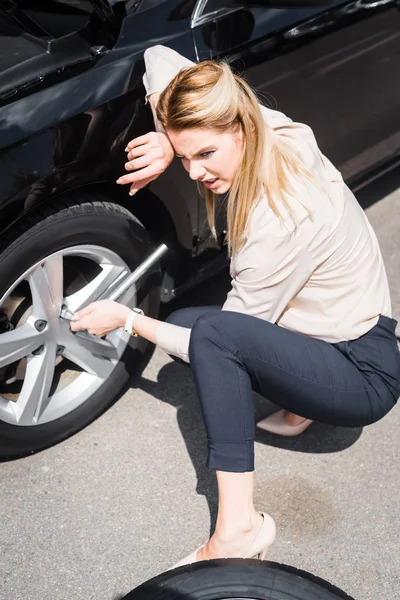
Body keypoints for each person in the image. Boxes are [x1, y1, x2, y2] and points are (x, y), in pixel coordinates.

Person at [70, 45, 400, 567]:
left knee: (212, 338)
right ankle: (299, 406)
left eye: (204, 155)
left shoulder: (279, 215)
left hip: (363, 372)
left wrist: (129, 319)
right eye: (184, 158)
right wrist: (163, 135)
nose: (194, 172)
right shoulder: (270, 125)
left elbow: (226, 338)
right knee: (185, 323)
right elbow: (158, 56)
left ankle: (238, 529)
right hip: (343, 329)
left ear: (239, 133)